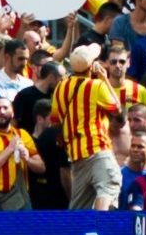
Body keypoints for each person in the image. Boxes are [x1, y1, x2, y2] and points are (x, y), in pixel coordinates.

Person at [51, 43, 124, 211]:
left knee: (79, 207)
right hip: (97, 148)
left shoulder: (60, 87)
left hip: (76, 155)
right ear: (91, 66)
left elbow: (55, 120)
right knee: (110, 185)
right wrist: (104, 78)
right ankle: (100, 226)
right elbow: (116, 108)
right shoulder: (96, 85)